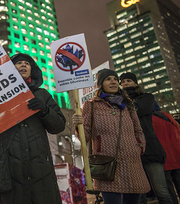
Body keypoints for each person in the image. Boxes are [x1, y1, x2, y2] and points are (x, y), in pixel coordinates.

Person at [0, 53, 66, 204]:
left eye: (27, 63)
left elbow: (59, 126)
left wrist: (45, 110)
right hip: (6, 169)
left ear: (32, 69)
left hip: (39, 169)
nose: (23, 65)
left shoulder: (42, 94)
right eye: (18, 63)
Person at [73, 69, 150, 204]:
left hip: (132, 162)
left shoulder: (128, 105)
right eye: (108, 79)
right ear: (101, 84)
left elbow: (138, 130)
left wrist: (139, 147)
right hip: (107, 164)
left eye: (115, 79)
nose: (113, 81)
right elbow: (85, 137)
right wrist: (78, 126)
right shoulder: (91, 105)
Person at [120, 72, 172, 204]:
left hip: (150, 148)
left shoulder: (147, 97)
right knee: (139, 195)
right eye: (123, 82)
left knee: (161, 191)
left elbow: (136, 110)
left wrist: (120, 103)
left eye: (128, 81)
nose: (125, 84)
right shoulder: (119, 101)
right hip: (131, 151)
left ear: (135, 83)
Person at [152, 111, 180, 204]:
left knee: (168, 190)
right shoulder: (167, 116)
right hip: (176, 154)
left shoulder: (148, 120)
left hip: (163, 158)